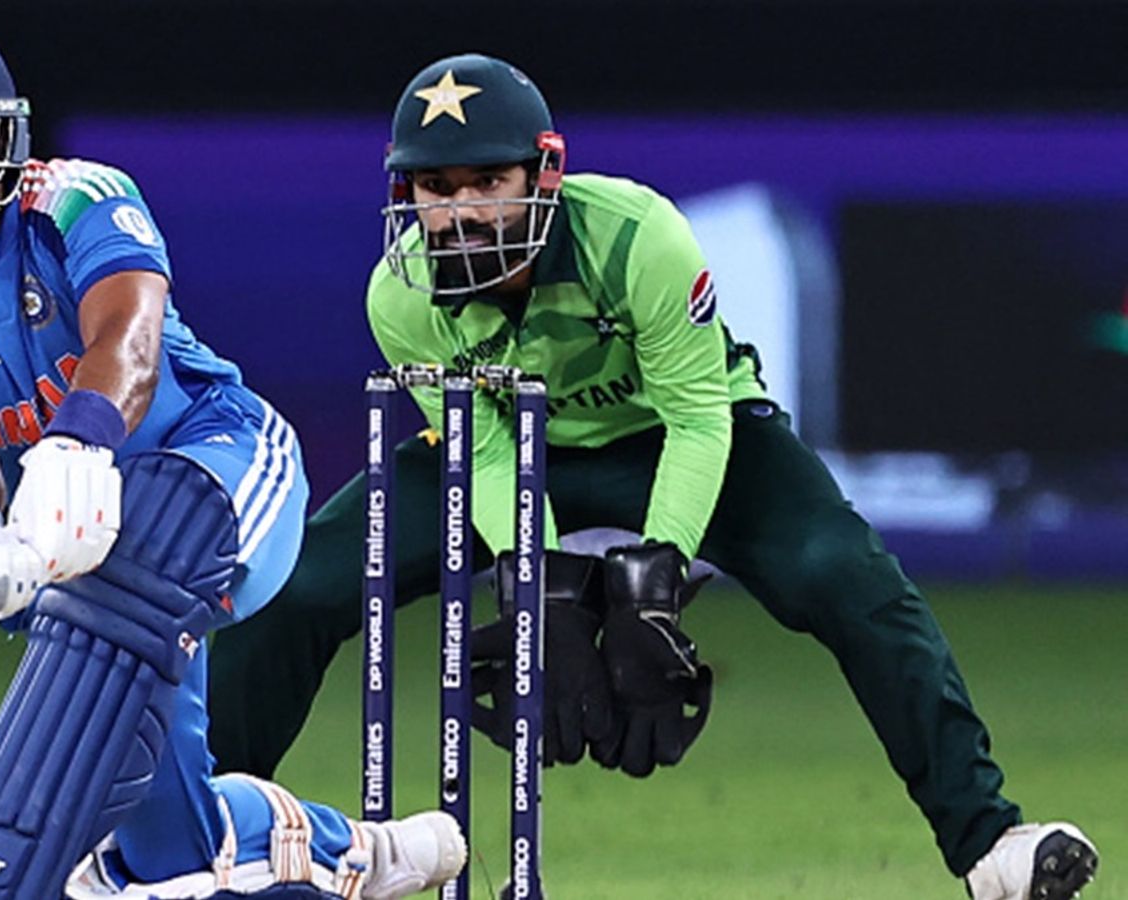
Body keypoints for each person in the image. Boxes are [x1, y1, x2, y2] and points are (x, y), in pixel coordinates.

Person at [206, 52, 1100, 900]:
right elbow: (486, 451)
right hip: (511, 447)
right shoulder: (399, 297)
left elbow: (698, 416)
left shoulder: (637, 238)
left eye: (488, 182)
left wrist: (653, 580)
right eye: (438, 189)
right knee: (296, 584)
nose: (463, 212)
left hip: (671, 433)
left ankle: (990, 843)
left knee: (848, 576)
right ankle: (204, 848)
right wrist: (542, 586)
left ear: (544, 174)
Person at [0, 17, 466, 900]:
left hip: (218, 469)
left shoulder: (75, 200)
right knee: (168, 854)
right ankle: (351, 854)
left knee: (153, 535)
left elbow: (127, 338)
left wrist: (77, 444)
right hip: (78, 564)